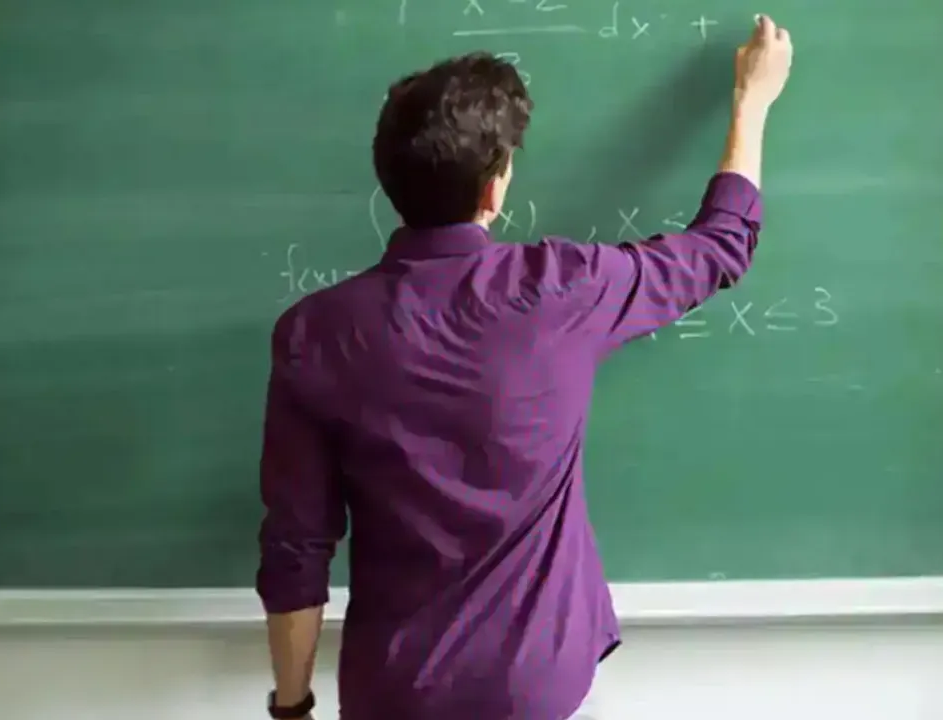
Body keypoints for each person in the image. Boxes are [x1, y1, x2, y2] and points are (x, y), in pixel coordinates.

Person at [255, 14, 793, 720]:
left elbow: (296, 546)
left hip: (395, 691)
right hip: (535, 686)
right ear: (493, 190)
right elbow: (721, 246)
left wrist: (292, 707)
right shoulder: (563, 291)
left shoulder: (314, 334)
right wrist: (751, 103)